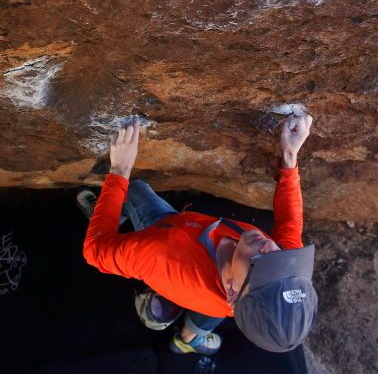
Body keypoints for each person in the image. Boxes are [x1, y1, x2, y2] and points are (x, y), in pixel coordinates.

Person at [80, 111, 317, 356]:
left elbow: (95, 251)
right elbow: (291, 221)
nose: (269, 246)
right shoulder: (266, 283)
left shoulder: (162, 255)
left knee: (134, 189)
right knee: (210, 311)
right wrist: (290, 155)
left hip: (171, 236)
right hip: (214, 294)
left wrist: (119, 169)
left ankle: (111, 214)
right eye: (279, 260)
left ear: (232, 291)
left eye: (259, 264)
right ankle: (188, 339)